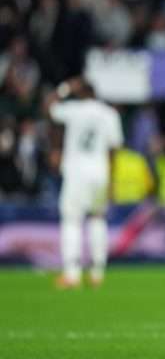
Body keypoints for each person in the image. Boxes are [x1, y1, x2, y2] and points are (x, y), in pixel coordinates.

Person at [47, 77, 123, 288]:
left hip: (76, 173)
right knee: (98, 218)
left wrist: (64, 88)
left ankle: (72, 274)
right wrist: (112, 180)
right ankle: (98, 272)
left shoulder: (73, 109)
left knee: (72, 220)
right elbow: (114, 148)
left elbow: (48, 106)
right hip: (100, 172)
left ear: (80, 93)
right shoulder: (109, 113)